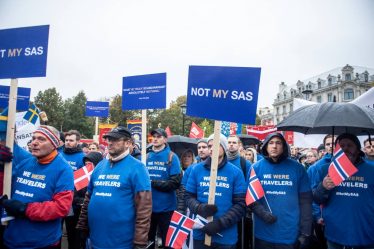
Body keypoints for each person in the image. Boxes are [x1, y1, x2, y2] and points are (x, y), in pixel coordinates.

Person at [76, 126, 152, 248]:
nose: (110, 142)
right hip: (95, 240)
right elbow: (88, 199)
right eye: (108, 139)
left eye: (115, 139)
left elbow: (144, 210)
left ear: (128, 143)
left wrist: (140, 242)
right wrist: (82, 226)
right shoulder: (100, 166)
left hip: (122, 242)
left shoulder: (138, 168)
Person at [1, 125, 74, 248]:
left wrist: (25, 209)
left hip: (41, 242)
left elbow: (61, 207)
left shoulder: (64, 169)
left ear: (54, 144)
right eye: (33, 138)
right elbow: (5, 187)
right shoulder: (26, 162)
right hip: (11, 238)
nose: (34, 142)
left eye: (41, 139)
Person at [250, 133, 312, 249]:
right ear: (265, 146)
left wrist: (305, 232)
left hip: (289, 233)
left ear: (284, 147)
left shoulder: (297, 168)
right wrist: (262, 213)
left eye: (278, 143)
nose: (274, 146)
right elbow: (250, 199)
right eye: (271, 143)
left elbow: (306, 203)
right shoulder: (255, 168)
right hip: (263, 233)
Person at [185, 133, 246, 248]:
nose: (212, 148)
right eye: (209, 146)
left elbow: (241, 204)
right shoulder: (196, 169)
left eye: (216, 145)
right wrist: (199, 208)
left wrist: (220, 223)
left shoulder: (235, 172)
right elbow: (188, 197)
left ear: (224, 147)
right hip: (201, 234)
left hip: (226, 237)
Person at [313, 133, 374, 248]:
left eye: (350, 145)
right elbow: (316, 199)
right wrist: (323, 187)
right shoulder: (325, 169)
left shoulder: (371, 170)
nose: (345, 148)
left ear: (357, 149)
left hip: (365, 232)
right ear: (336, 149)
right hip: (335, 233)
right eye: (341, 146)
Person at [146, 128, 181, 249]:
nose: (155, 139)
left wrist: (153, 183)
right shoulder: (146, 156)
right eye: (153, 136)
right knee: (148, 240)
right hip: (148, 207)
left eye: (158, 136)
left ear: (165, 139)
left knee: (168, 241)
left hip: (166, 208)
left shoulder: (172, 156)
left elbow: (175, 183)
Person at [61, 130, 86, 249]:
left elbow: (83, 184)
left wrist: (74, 198)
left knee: (72, 235)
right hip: (55, 200)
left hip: (72, 203)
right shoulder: (59, 154)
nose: (68, 142)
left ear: (78, 142)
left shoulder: (83, 158)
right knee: (56, 233)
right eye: (66, 140)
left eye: (71, 140)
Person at [226, 135, 251, 249]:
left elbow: (250, 185)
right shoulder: (220, 160)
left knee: (240, 237)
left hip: (239, 207)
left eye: (234, 142)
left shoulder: (245, 164)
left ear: (239, 145)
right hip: (224, 206)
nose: (231, 144)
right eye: (229, 142)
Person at [76, 151, 103, 249]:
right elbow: (74, 195)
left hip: (96, 217)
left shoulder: (102, 176)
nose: (88, 167)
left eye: (90, 164)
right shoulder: (81, 176)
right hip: (80, 215)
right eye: (86, 164)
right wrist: (81, 201)